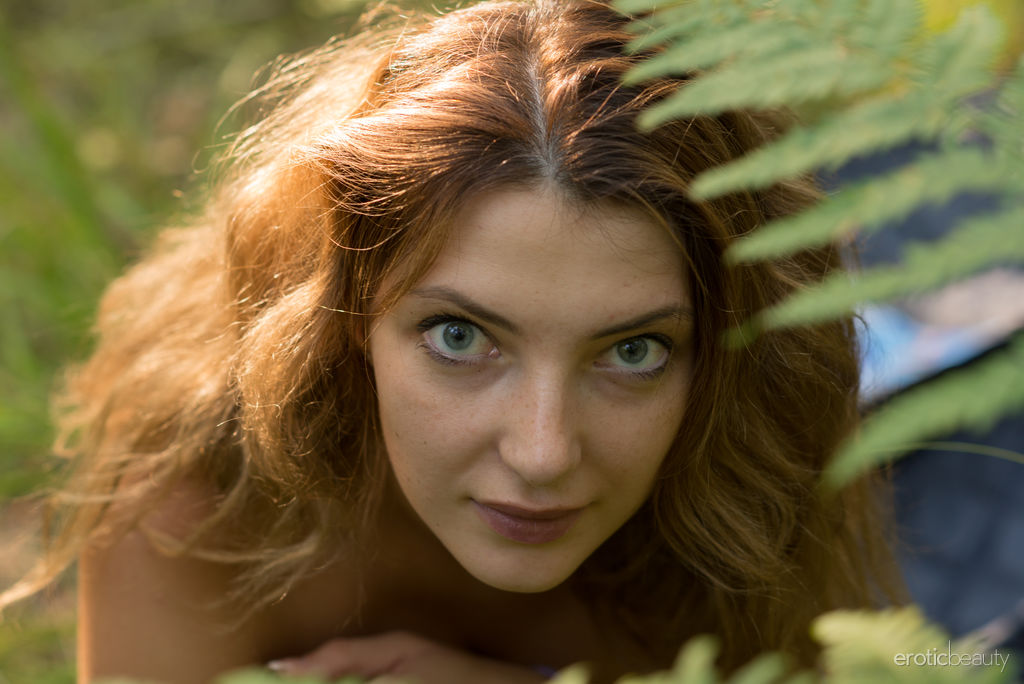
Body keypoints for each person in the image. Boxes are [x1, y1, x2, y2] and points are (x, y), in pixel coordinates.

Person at [1, 1, 905, 682]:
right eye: (461, 337)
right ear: (344, 318)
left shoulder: (751, 462)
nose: (543, 453)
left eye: (634, 351)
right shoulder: (197, 503)